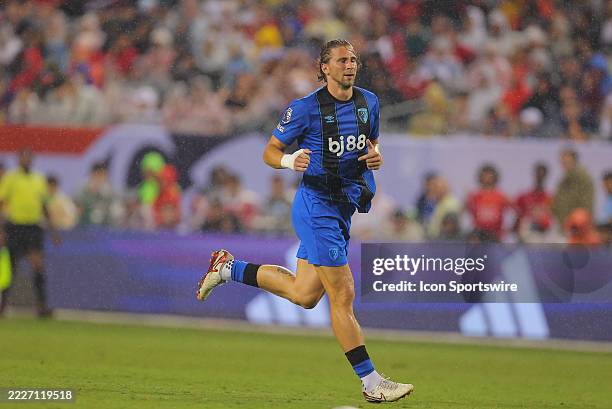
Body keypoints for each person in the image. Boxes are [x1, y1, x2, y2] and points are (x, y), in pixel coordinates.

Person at [196, 39, 413, 403]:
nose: (350, 65)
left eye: (353, 60)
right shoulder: (305, 109)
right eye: (342, 60)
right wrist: (288, 160)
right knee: (342, 293)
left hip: (344, 207)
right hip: (317, 206)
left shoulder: (369, 102)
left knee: (305, 294)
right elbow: (270, 151)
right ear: (324, 68)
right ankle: (371, 382)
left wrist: (375, 155)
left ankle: (228, 268)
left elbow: (371, 142)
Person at [0, 148, 60, 317]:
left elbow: (44, 206)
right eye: (23, 157)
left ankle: (42, 307)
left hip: (33, 227)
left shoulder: (39, 179)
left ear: (33, 160)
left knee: (38, 266)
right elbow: (2, 202)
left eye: (29, 157)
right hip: (15, 226)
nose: (26, 160)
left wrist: (53, 231)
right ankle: (2, 306)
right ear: (18, 159)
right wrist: (1, 229)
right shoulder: (10, 178)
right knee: (9, 269)